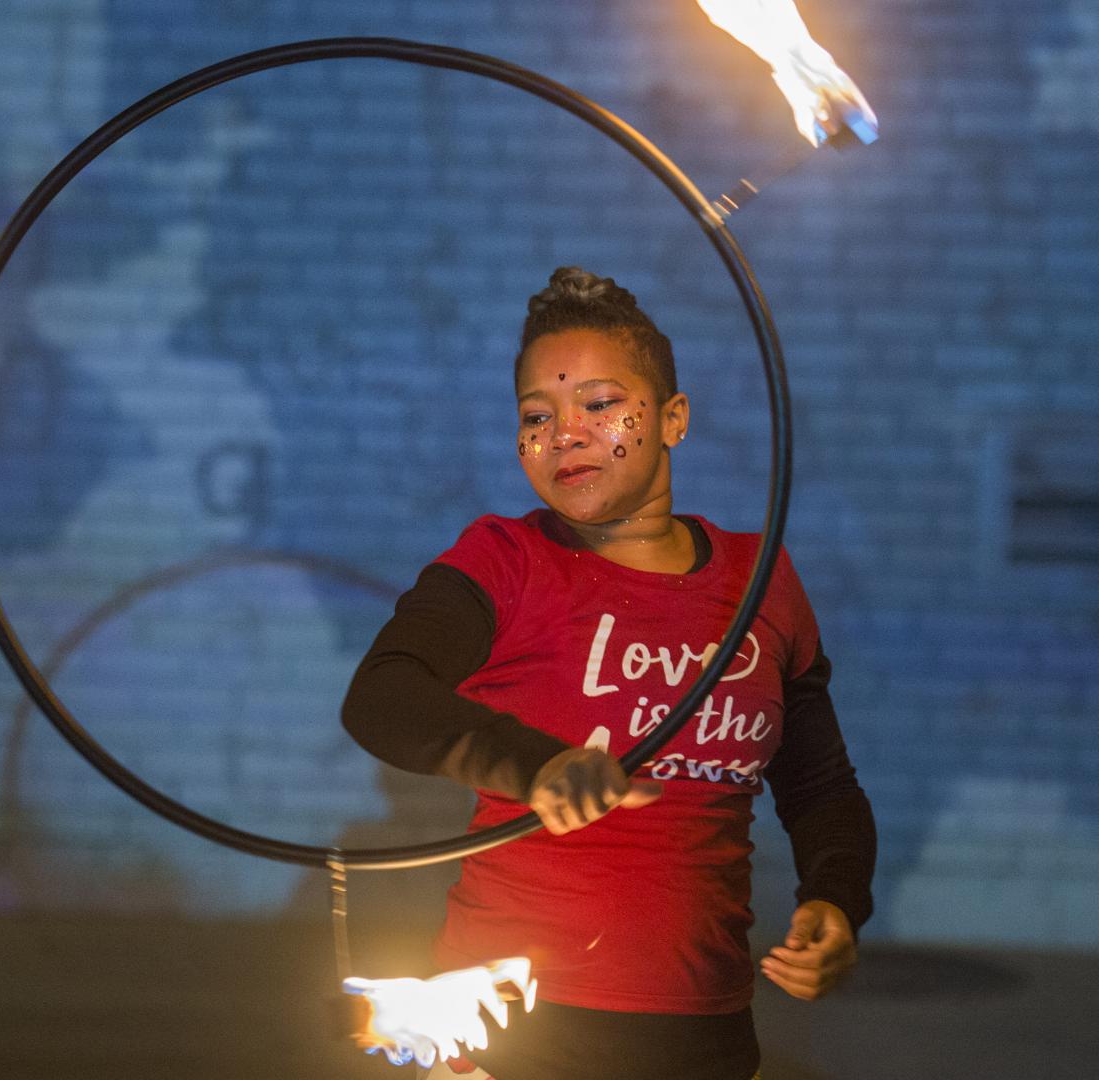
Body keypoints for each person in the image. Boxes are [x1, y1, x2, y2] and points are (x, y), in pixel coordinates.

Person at [342, 267, 876, 1080]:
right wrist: (537, 765)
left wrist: (836, 899)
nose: (565, 435)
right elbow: (381, 697)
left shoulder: (761, 579)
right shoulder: (505, 561)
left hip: (705, 1036)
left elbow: (820, 785)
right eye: (536, 416)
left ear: (672, 419)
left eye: (598, 405)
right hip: (505, 1030)